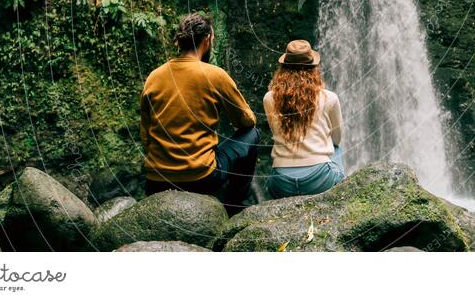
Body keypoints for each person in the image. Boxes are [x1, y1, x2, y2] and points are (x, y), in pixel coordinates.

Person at [139, 13, 259, 214]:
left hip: (156, 181)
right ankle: (234, 208)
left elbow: (145, 135)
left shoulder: (154, 76)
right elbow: (246, 121)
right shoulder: (215, 75)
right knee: (253, 135)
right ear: (207, 39)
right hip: (199, 179)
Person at [264, 39, 344, 198]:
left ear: (283, 69)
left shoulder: (269, 98)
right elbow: (337, 139)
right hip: (321, 180)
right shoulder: (330, 98)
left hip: (281, 183)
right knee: (336, 149)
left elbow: (276, 133)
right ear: (314, 68)